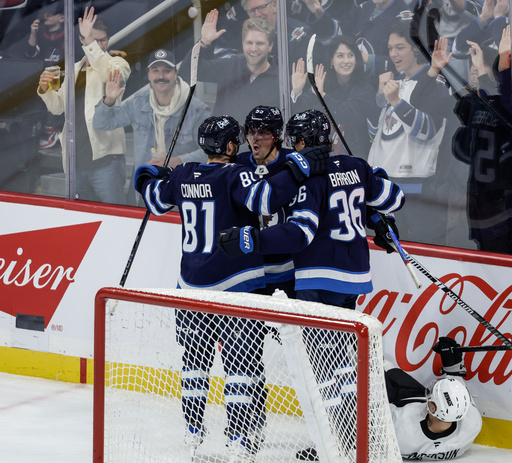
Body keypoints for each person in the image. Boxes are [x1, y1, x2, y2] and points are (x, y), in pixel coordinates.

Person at [133, 115, 329, 459]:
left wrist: (145, 175)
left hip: (190, 289)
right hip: (235, 289)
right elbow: (267, 200)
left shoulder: (181, 175)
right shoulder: (235, 174)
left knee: (194, 366)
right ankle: (240, 440)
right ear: (229, 146)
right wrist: (298, 166)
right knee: (241, 368)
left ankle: (193, 436)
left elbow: (153, 198)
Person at [217, 109, 405, 460]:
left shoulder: (309, 178)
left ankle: (340, 444)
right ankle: (354, 439)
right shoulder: (356, 166)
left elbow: (300, 233)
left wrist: (252, 239)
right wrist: (372, 190)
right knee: (342, 362)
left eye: (290, 140)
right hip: (354, 278)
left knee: (324, 368)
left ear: (297, 141)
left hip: (315, 281)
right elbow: (394, 198)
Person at [93, 48, 210, 204]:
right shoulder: (138, 102)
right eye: (155, 71)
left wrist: (178, 160)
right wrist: (109, 99)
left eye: (167, 71)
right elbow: (102, 123)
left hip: (180, 185)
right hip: (146, 182)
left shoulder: (196, 109)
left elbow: (211, 153)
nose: (161, 76)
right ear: (148, 75)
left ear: (175, 74)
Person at [37, 6, 129, 204]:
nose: (99, 45)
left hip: (106, 162)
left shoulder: (118, 63)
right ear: (81, 40)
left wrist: (90, 43)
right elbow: (59, 107)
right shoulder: (74, 68)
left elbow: (109, 74)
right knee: (82, 219)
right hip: (76, 161)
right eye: (92, 40)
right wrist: (46, 90)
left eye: (102, 40)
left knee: (116, 218)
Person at [367, 22, 450, 243]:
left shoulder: (436, 85)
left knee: (424, 256)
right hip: (386, 187)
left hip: (418, 192)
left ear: (416, 47)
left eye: (400, 47)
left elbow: (426, 131)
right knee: (391, 255)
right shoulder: (397, 84)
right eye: (390, 48)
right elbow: (374, 135)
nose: (393, 54)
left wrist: (395, 101)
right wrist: (380, 97)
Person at [451, 26, 512, 253]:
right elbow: (461, 106)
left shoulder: (501, 105)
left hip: (502, 204)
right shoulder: (479, 103)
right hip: (480, 203)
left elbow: (504, 104)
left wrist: (499, 68)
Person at [386, 337, 482, 460]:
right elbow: (456, 393)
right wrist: (453, 366)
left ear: (432, 408)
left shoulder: (402, 430)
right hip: (411, 409)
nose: (430, 389)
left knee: (376, 366)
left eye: (431, 393)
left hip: (390, 407)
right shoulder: (471, 423)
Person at [236, 105, 296, 298]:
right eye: (251, 132)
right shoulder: (238, 163)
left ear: (276, 135)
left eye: (262, 132)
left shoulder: (295, 161)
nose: (255, 138)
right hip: (249, 272)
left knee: (288, 328)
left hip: (287, 271)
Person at [179, 10, 279, 124]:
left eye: (260, 43)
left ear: (270, 46)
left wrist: (296, 93)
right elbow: (186, 72)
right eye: (249, 43)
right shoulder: (231, 65)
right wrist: (204, 43)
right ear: (242, 44)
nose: (254, 48)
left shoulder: (280, 79)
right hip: (220, 140)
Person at [291, 34, 375, 158]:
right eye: (340, 56)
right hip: (324, 161)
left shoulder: (365, 89)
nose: (346, 61)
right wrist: (297, 92)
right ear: (331, 60)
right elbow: (300, 114)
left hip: (354, 162)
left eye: (350, 55)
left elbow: (351, 114)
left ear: (356, 60)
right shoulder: (323, 84)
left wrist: (322, 96)